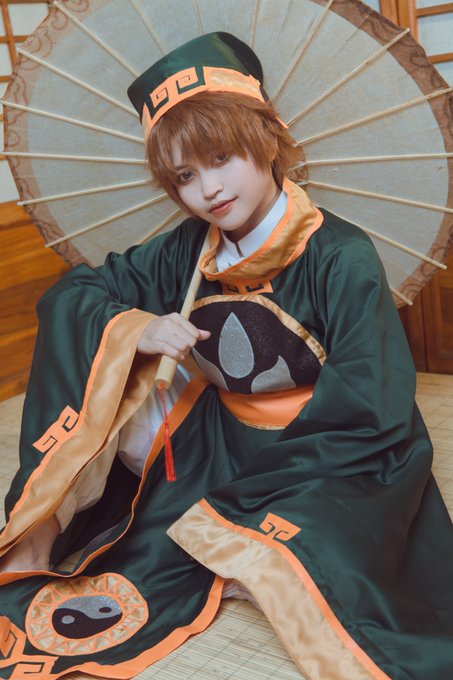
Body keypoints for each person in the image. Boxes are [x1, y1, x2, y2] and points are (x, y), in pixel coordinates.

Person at [0, 31, 452, 680]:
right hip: (219, 438)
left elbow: (372, 400)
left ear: (266, 138)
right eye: (184, 176)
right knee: (103, 357)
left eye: (220, 157)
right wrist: (138, 329)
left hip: (326, 447)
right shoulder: (188, 248)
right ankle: (41, 533)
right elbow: (75, 296)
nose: (208, 189)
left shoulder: (341, 254)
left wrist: (278, 478)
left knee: (328, 559)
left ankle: (245, 542)